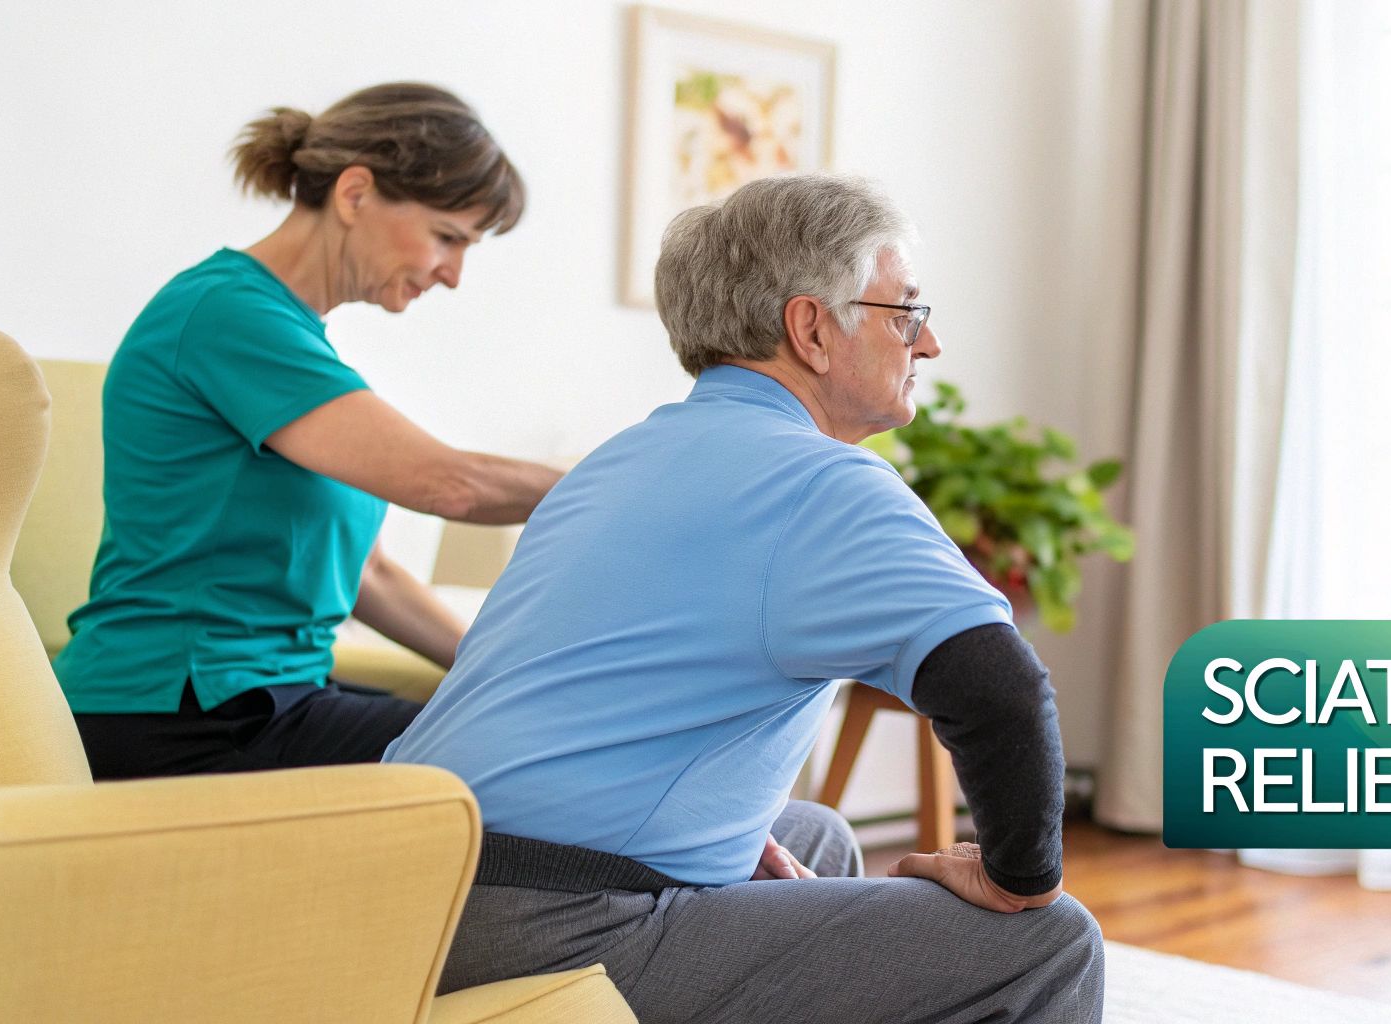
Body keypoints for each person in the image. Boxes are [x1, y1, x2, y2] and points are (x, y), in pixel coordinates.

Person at [383, 173, 1105, 1022]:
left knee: (813, 836)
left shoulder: (615, 461)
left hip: (409, 878)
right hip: (554, 919)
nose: (930, 343)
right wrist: (1019, 879)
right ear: (812, 330)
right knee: (1050, 939)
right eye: (907, 312)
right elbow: (1003, 693)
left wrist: (713, 823)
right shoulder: (822, 483)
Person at [58, 83, 564, 779]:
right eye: (448, 237)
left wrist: (502, 669)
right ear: (354, 194)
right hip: (179, 714)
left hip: (262, 701)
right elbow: (448, 484)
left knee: (535, 732)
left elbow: (370, 577)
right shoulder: (226, 314)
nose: (452, 275)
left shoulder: (292, 342)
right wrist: (625, 483)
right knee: (541, 759)